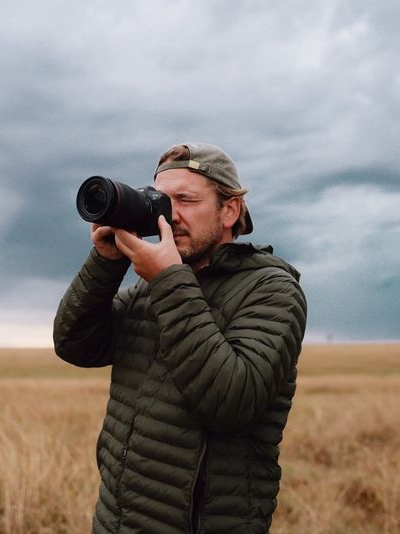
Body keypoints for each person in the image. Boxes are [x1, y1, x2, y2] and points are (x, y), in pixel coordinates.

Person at [53, 142, 307, 533]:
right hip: (117, 520)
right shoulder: (154, 284)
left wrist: (168, 280)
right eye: (159, 200)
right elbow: (76, 344)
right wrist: (105, 262)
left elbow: (230, 402)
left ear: (230, 210)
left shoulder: (271, 289)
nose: (170, 215)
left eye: (186, 200)